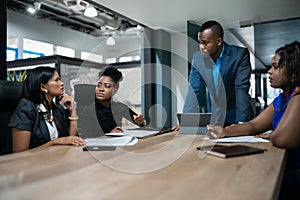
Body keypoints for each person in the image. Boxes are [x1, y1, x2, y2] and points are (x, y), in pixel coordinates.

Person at [207, 41, 300, 199]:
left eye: (275, 67)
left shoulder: (298, 97)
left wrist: (271, 135)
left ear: (292, 71)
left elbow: (282, 138)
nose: (269, 71)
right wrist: (225, 131)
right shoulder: (280, 100)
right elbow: (255, 124)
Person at [173, 20, 252, 130]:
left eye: (205, 43)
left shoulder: (239, 55)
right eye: (200, 43)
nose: (201, 47)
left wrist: (241, 123)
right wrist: (187, 121)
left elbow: (241, 90)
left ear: (218, 41)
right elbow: (193, 90)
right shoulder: (198, 59)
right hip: (216, 119)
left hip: (237, 116)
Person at [9, 66, 85, 153]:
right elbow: (19, 153)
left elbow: (71, 139)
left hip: (54, 160)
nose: (62, 83)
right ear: (43, 87)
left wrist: (72, 110)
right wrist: (55, 142)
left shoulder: (56, 108)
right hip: (32, 164)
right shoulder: (26, 107)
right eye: (57, 80)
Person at [78, 66, 146, 137]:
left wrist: (141, 122)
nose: (101, 89)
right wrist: (110, 134)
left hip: (118, 143)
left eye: (107, 86)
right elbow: (85, 138)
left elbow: (139, 121)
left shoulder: (119, 107)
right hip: (100, 146)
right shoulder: (88, 111)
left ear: (115, 91)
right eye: (99, 85)